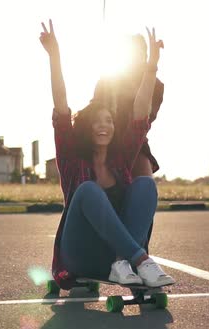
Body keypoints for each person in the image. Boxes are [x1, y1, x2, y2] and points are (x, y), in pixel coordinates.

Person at [39, 19, 174, 289]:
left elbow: (140, 113)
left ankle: (125, 259)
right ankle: (141, 259)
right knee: (88, 190)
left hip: (113, 262)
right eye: (98, 121)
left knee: (146, 184)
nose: (105, 125)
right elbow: (61, 101)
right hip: (78, 255)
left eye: (109, 121)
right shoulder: (71, 158)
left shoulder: (120, 160)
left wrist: (151, 66)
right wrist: (54, 56)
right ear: (86, 126)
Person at [92, 34, 165, 178]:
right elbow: (93, 112)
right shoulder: (107, 80)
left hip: (136, 143)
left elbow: (146, 119)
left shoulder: (156, 85)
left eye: (139, 53)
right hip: (104, 141)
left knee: (145, 181)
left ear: (145, 56)